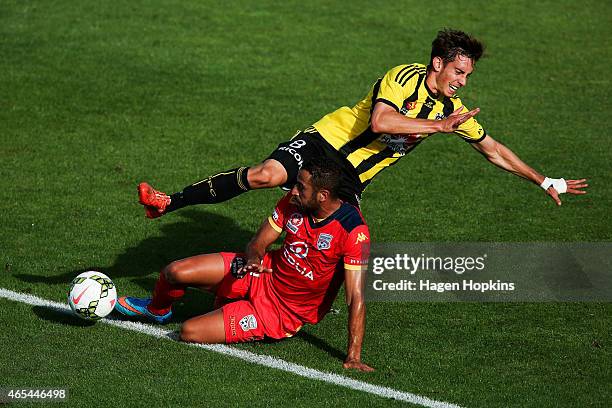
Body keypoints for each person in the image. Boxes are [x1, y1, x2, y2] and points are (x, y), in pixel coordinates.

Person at [138, 28, 587, 218]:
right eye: (458, 72)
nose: (462, 82)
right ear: (438, 64)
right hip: (325, 142)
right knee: (264, 175)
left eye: (467, 75)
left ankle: (269, 285)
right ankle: (169, 202)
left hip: (354, 176)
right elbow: (382, 119)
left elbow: (493, 149)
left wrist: (543, 178)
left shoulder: (453, 112)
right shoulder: (405, 77)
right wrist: (438, 128)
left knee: (339, 242)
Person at [116, 159, 374, 372]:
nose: (293, 191)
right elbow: (258, 243)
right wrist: (253, 259)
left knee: (189, 331)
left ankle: (232, 305)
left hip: (280, 313)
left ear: (323, 195)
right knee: (174, 272)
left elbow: (356, 297)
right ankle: (157, 310)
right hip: (260, 274)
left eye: (301, 187)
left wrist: (353, 355)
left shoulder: (353, 231)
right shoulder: (292, 203)